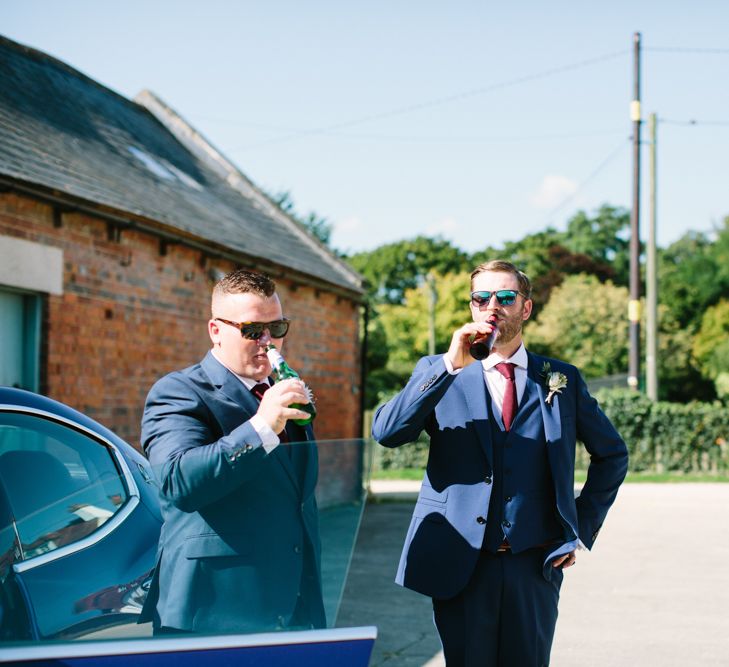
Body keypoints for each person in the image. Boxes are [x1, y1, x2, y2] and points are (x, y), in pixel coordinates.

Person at [372, 260, 628, 666]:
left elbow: (612, 454)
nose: (493, 306)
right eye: (482, 297)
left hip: (534, 563)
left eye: (505, 297)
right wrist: (449, 365)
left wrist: (578, 526)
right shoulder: (438, 372)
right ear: (472, 307)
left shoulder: (560, 379)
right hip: (460, 562)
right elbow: (387, 432)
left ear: (525, 308)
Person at [139, 268, 325, 635]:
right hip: (213, 609)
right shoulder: (179, 391)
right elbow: (178, 482)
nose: (268, 342)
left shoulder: (281, 389)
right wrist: (261, 427)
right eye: (254, 331)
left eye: (278, 328)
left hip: (291, 606)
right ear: (216, 331)